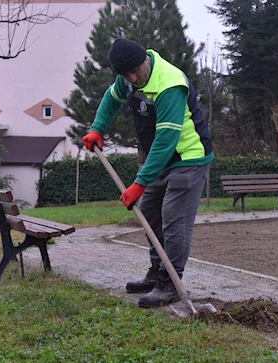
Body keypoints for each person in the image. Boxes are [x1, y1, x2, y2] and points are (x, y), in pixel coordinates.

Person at [81, 38, 214, 308]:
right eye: (125, 75)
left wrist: (139, 183)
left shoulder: (169, 84)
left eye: (135, 71)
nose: (132, 78)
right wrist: (98, 128)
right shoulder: (128, 78)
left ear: (145, 60)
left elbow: (166, 139)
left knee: (174, 219)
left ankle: (170, 283)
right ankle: (157, 272)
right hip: (160, 160)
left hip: (188, 158)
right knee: (151, 213)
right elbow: (110, 99)